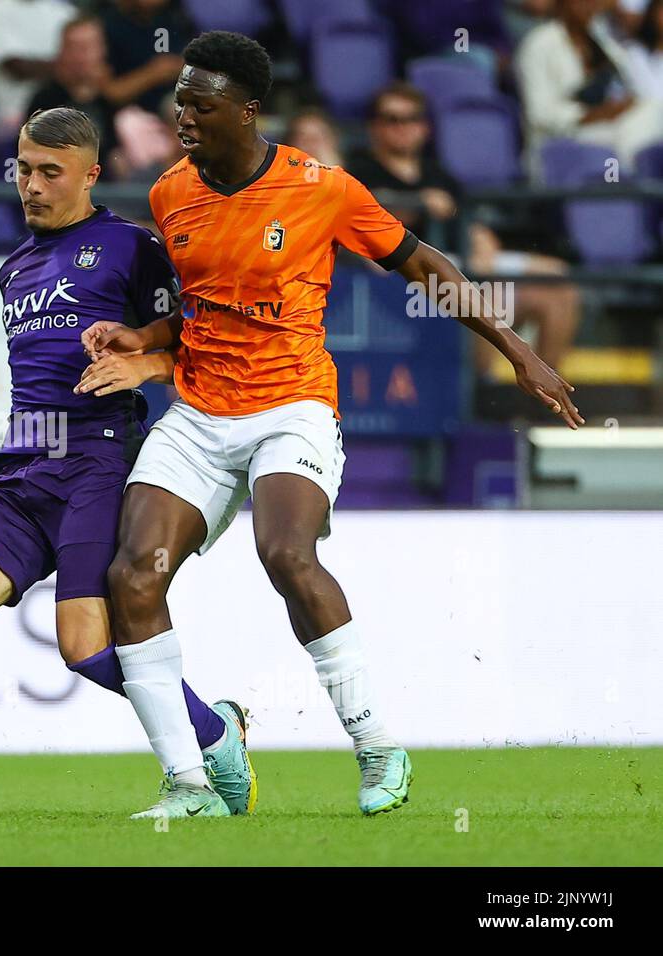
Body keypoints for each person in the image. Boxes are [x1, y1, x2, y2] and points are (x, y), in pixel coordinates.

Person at [76, 32, 582, 819]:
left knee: (285, 551)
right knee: (132, 576)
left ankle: (378, 746)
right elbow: (194, 311)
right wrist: (141, 339)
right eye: (179, 102)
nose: (183, 117)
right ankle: (192, 780)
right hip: (201, 409)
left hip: (291, 406)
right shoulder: (172, 192)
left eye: (199, 105)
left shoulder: (322, 188)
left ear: (246, 111)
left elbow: (423, 264)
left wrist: (517, 349)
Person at [0, 107, 254, 822]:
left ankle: (215, 732)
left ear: (91, 175)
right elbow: (31, 379)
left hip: (99, 462)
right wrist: (6, 460)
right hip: (22, 469)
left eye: (49, 173)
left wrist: (147, 366)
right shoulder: (15, 268)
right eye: (23, 170)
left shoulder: (132, 247)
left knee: (84, 647)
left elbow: (201, 342)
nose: (31, 186)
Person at [344, 83, 581, 373]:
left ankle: (547, 389)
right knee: (486, 292)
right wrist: (418, 200)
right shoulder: (359, 168)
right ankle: (482, 392)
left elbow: (466, 216)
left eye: (413, 119)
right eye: (393, 120)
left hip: (461, 258)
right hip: (410, 268)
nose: (404, 127)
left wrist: (482, 240)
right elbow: (370, 213)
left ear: (425, 127)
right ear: (374, 127)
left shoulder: (437, 171)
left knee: (558, 281)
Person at [515, 0, 663, 174]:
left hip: (607, 129)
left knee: (652, 109)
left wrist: (621, 106)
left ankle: (629, 184)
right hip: (558, 141)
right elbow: (539, 115)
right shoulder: (539, 44)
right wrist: (588, 115)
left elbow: (625, 85)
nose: (588, 5)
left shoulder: (602, 41)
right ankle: (626, 184)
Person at [25, 16, 119, 174]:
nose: (81, 57)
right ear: (61, 51)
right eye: (74, 48)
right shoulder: (45, 100)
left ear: (102, 50)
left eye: (88, 48)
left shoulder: (110, 100)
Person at [0, 0, 74, 141]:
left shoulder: (65, 12)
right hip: (14, 117)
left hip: (66, 109)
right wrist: (70, 65)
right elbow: (16, 67)